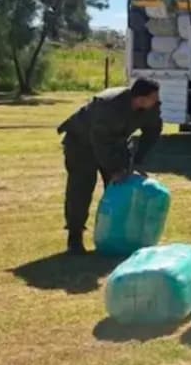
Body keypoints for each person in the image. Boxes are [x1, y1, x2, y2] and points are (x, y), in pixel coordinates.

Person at [56, 78, 162, 254]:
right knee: (80, 189)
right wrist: (114, 170)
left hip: (114, 143)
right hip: (81, 143)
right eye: (154, 97)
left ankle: (115, 236)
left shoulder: (151, 107)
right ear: (140, 99)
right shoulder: (109, 105)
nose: (158, 101)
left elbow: (152, 131)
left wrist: (136, 162)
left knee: (121, 189)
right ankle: (75, 237)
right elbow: (100, 141)